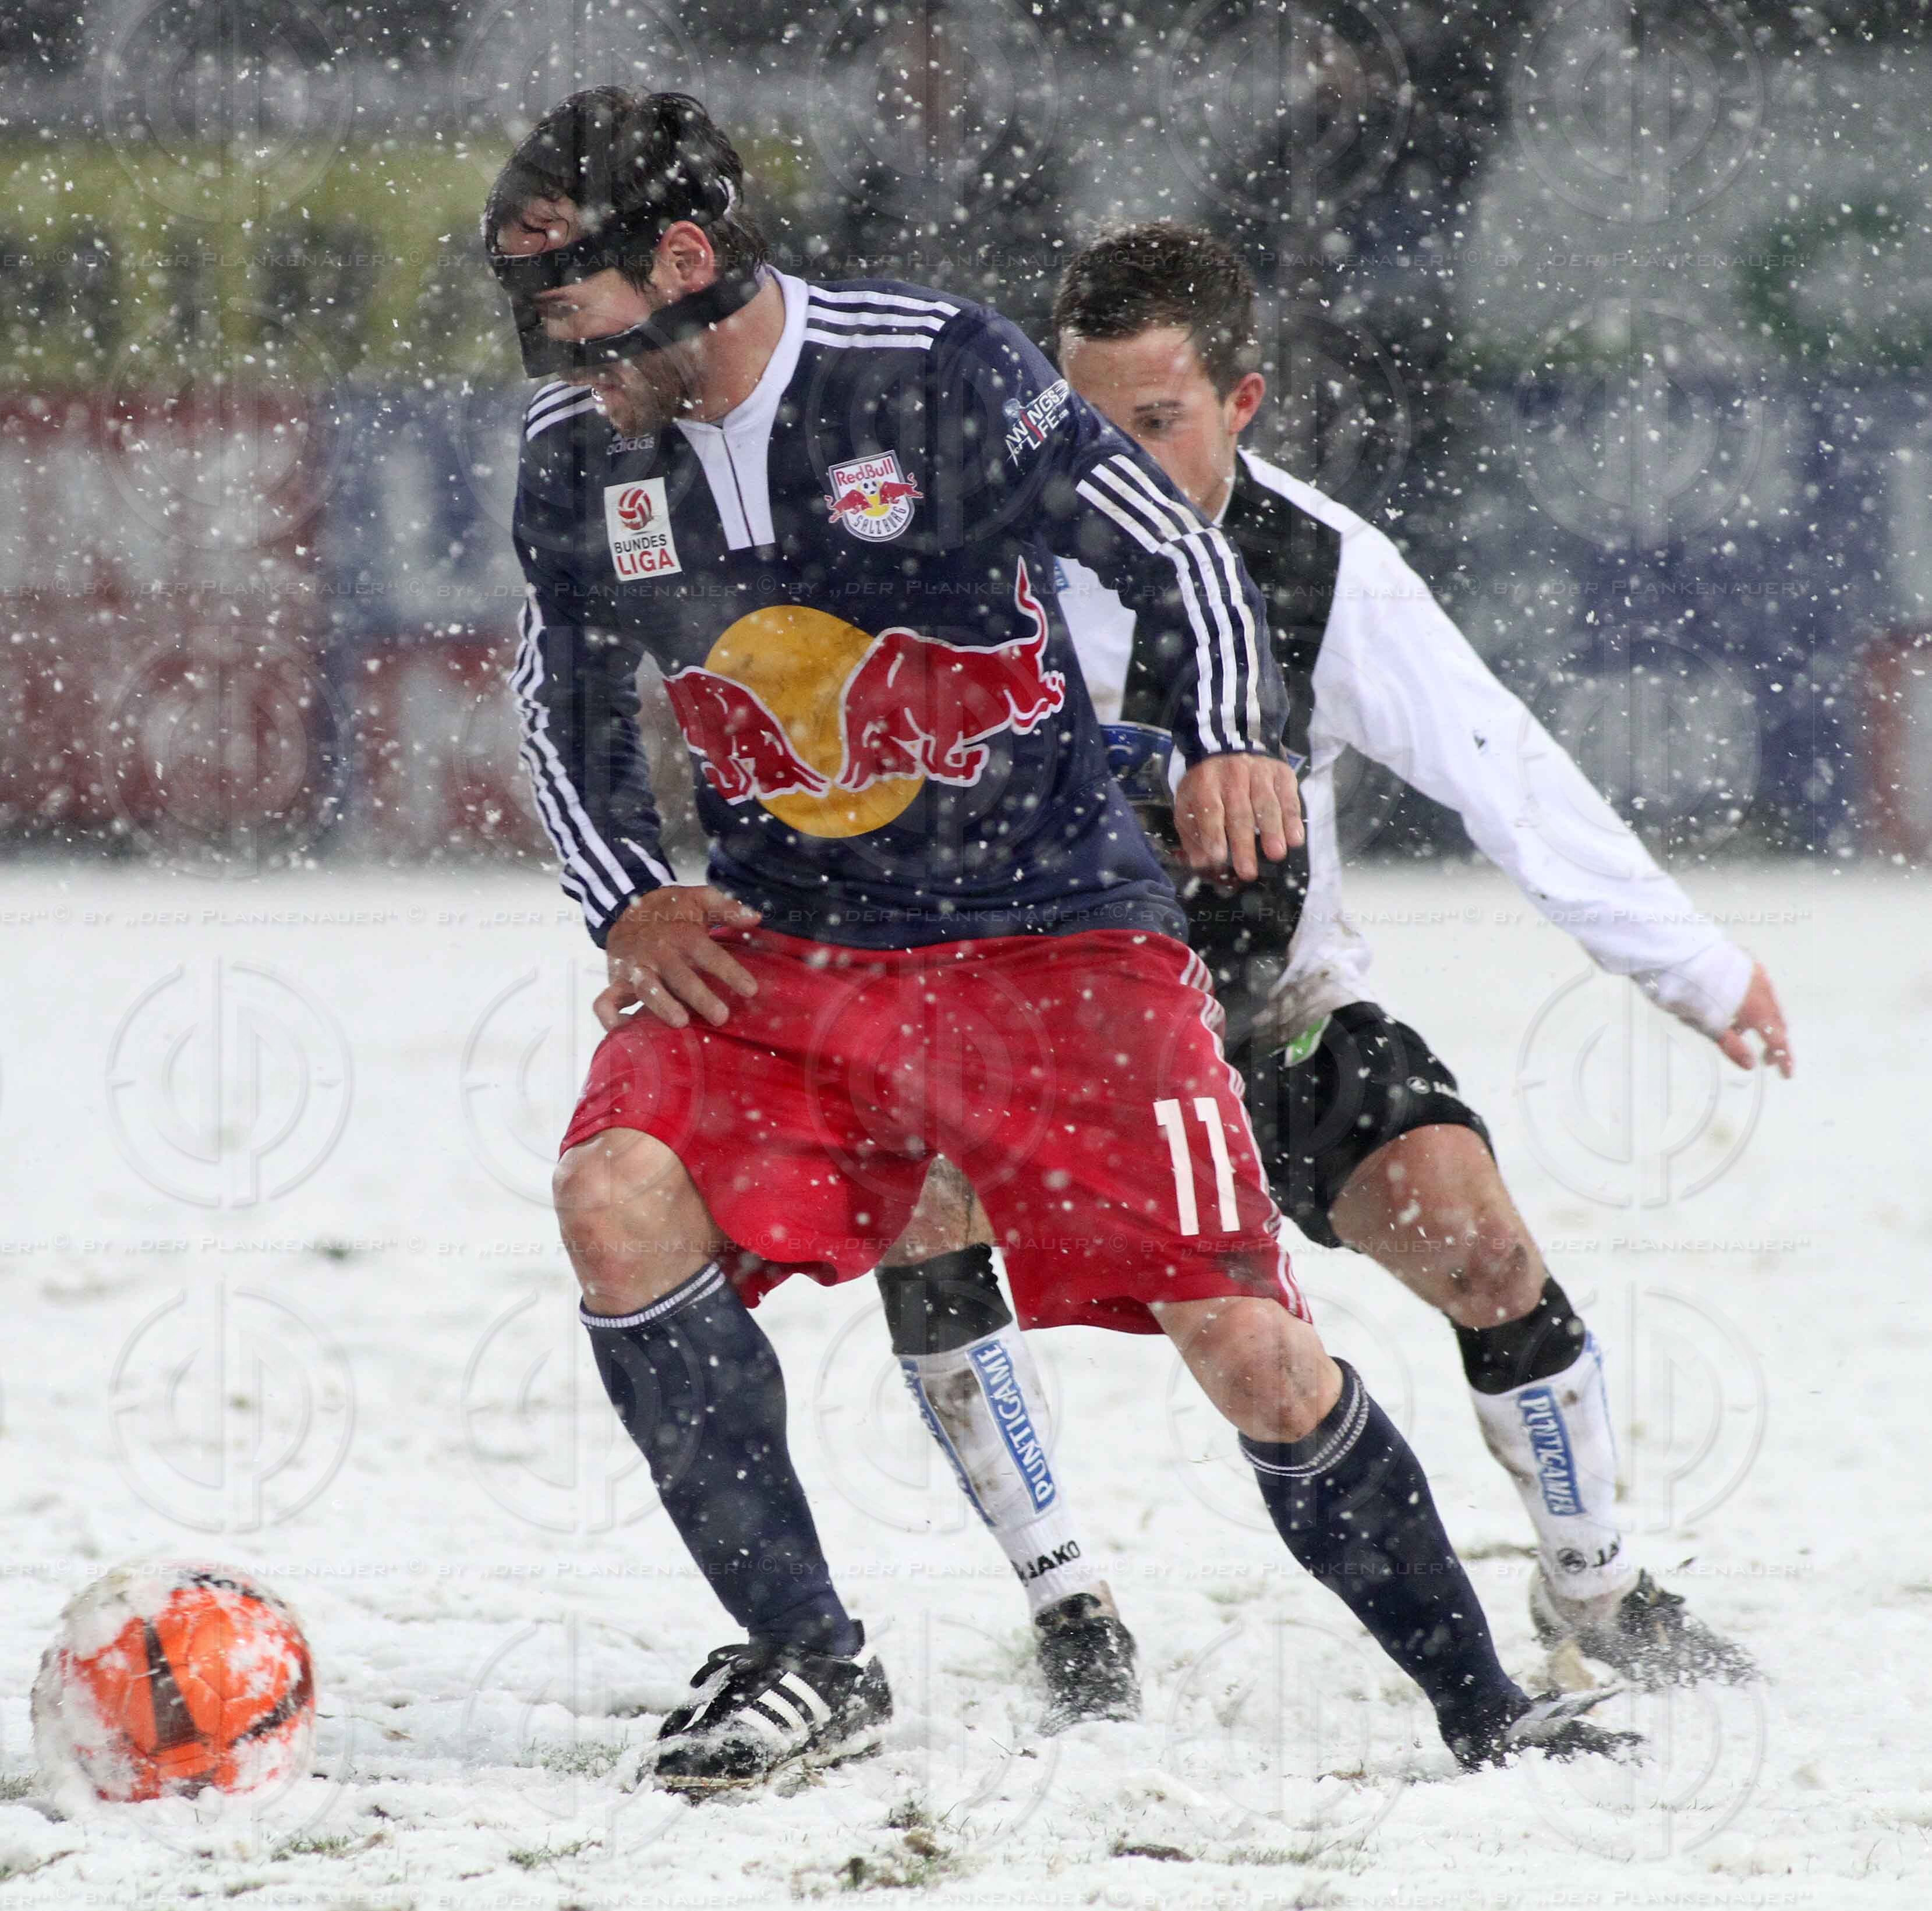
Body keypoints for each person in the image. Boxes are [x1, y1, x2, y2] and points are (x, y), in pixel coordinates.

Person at [494, 90, 1626, 1790]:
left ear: (680, 262)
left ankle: (1489, 1705)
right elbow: (557, 696)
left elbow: (1173, 544)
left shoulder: (926, 369)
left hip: (1050, 939)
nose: (544, 347)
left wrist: (1235, 727)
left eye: (564, 301)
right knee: (610, 1200)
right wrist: (625, 897)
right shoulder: (577, 456)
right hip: (787, 950)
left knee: (1249, 1350)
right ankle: (806, 1656)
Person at [870, 222, 1793, 1721]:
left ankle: (1598, 1586)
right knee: (919, 1196)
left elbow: (1506, 768)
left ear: (1242, 404)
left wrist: (1688, 962)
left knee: (1483, 1247)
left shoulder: (1324, 568)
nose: (1108, 460)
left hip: (1270, 1016)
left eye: (1153, 425)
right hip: (1034, 1030)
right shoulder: (976, 561)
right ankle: (1067, 1599)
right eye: (1080, 421)